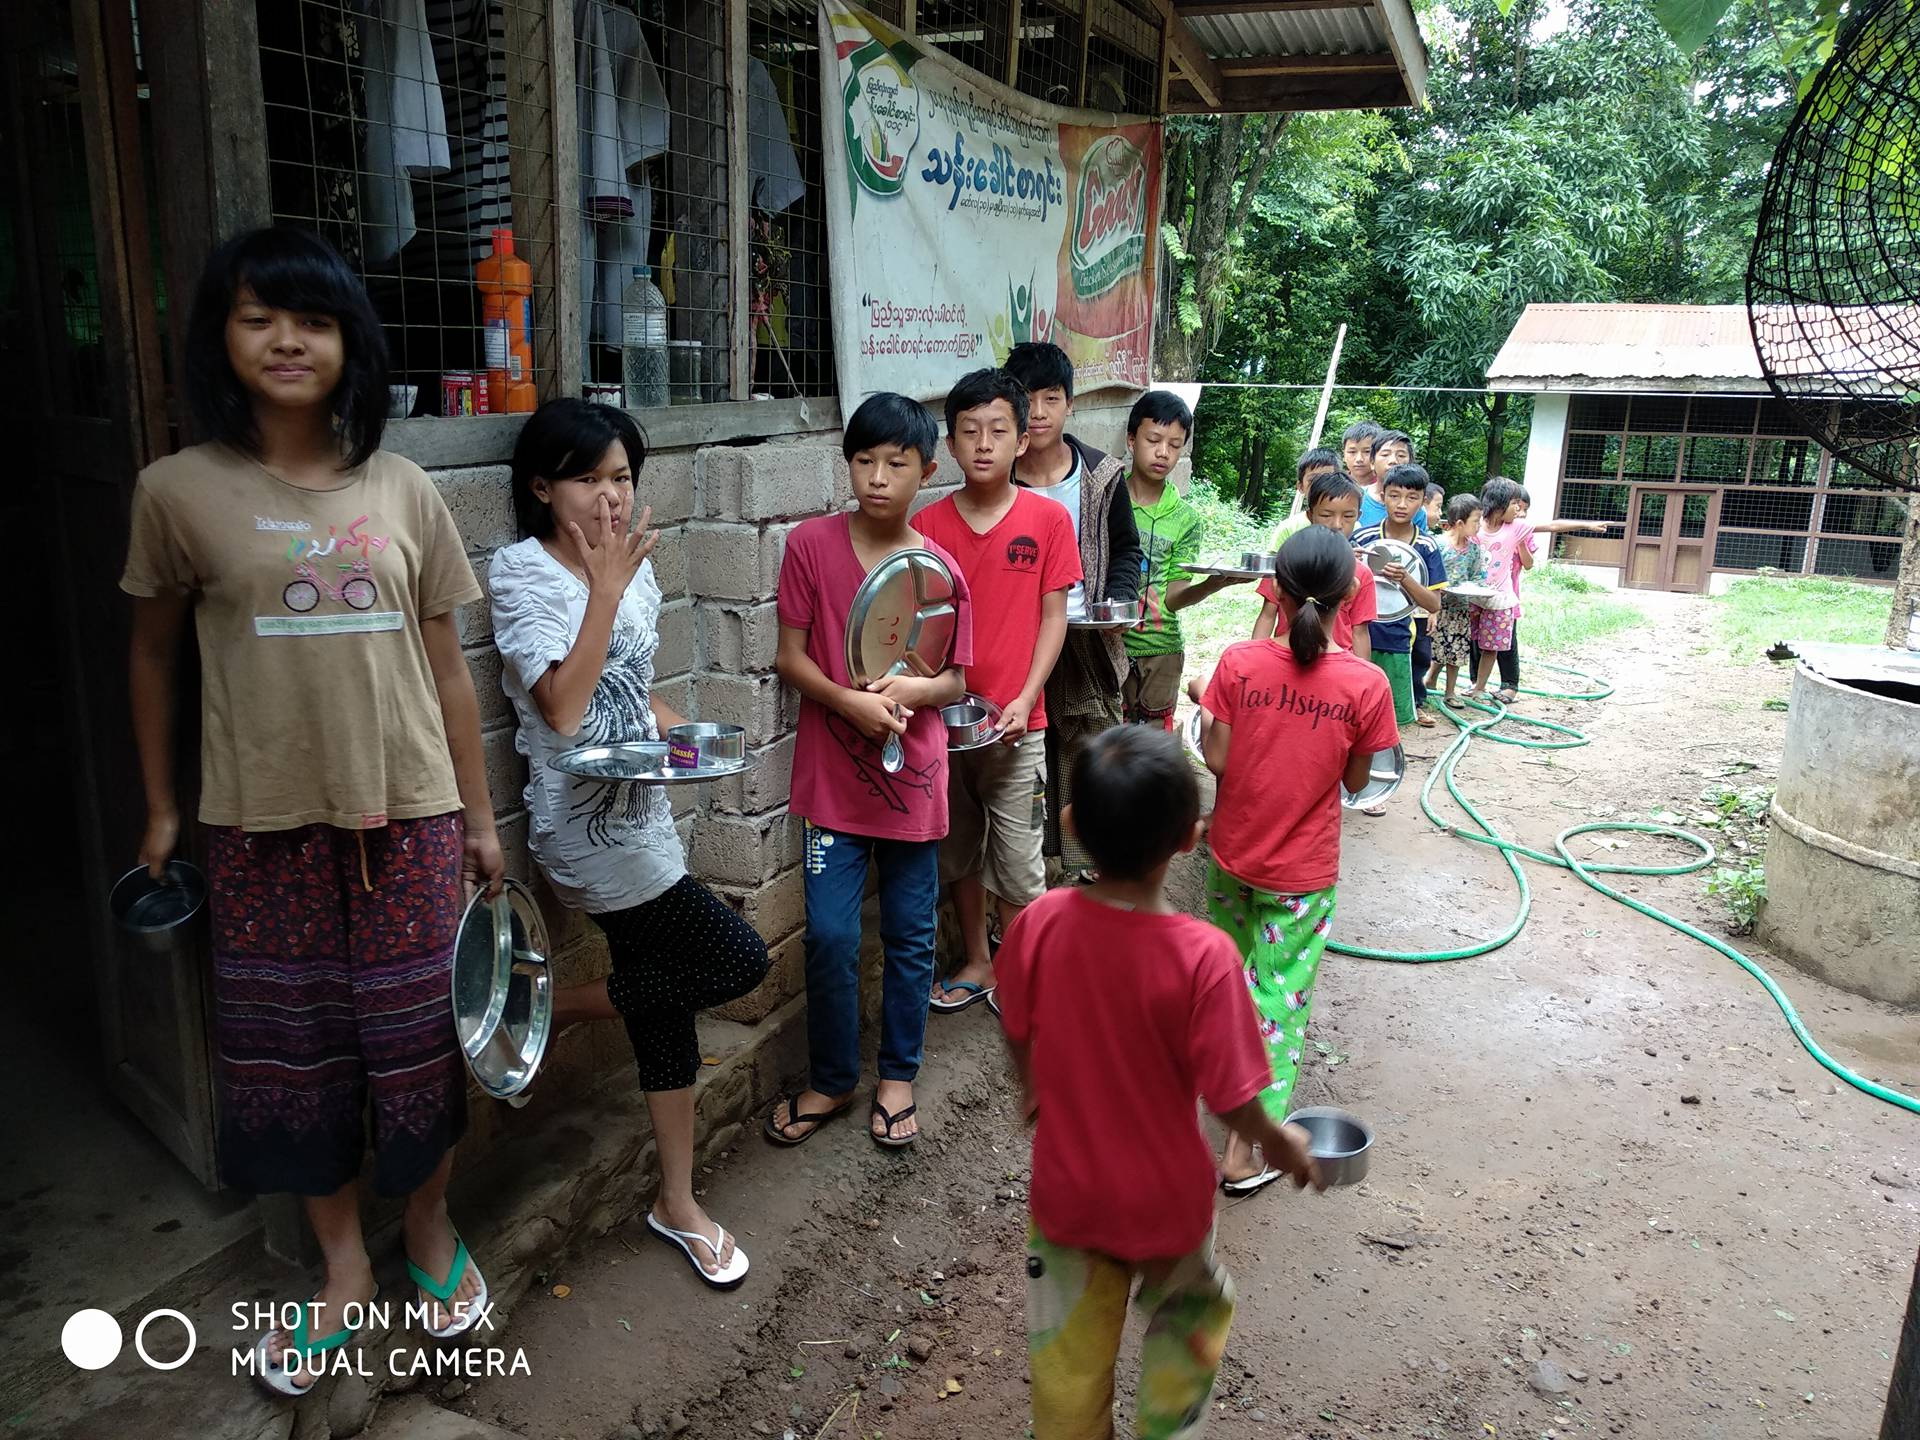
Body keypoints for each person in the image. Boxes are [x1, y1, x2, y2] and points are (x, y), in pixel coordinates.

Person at [122, 227, 501, 1392]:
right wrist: (162, 810)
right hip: (260, 826)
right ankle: (341, 1269)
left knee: (421, 1044)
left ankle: (427, 1228)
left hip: (411, 817)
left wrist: (480, 820)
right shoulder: (176, 492)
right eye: (259, 318)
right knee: (296, 1058)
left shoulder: (403, 487)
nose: (287, 341)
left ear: (351, 343)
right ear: (220, 338)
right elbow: (152, 657)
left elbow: (448, 668)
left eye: (315, 321)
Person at [489, 399, 770, 1289]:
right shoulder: (521, 574)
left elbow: (634, 690)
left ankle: (676, 1201)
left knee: (661, 1014)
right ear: (542, 487)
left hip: (645, 812)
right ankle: (548, 1005)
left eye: (621, 478)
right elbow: (565, 710)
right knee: (736, 960)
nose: (611, 497)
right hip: (582, 829)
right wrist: (603, 590)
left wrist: (694, 740)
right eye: (588, 478)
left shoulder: (634, 569)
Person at [993, 726, 1321, 1438]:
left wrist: (1031, 1086)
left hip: (1069, 1197)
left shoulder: (1039, 923)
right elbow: (1233, 1098)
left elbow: (1015, 1023)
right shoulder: (1205, 958)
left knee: (1067, 1360)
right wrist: (1279, 1142)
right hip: (1167, 1203)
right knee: (1189, 1317)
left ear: (1071, 824)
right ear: (1190, 838)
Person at [767, 393, 972, 1149]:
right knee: (828, 936)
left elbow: (956, 681)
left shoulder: (939, 570)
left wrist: (913, 691)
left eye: (896, 463)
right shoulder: (809, 545)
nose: (878, 478)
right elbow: (790, 658)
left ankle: (896, 1076)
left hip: (913, 783)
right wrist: (847, 702)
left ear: (927, 470)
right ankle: (831, 1078)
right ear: (846, 463)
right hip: (832, 782)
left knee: (911, 935)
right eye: (863, 461)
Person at [1191, 526, 1399, 1192]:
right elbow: (1358, 782)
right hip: (1301, 878)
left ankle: (1200, 1095)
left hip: (1232, 857)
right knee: (1276, 1005)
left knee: (1229, 984)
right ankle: (1244, 1148)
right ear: (1350, 595)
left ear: (1274, 591)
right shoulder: (1367, 684)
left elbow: (1218, 760)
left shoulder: (1238, 663)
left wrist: (1204, 705)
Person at [914, 369, 1080, 1012]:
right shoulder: (926, 527)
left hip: (1018, 724)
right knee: (956, 851)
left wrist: (1026, 697)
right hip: (941, 727)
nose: (984, 444)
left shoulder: (1047, 519)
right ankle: (979, 961)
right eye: (969, 431)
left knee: (1018, 859)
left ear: (1021, 440)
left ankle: (1021, 970)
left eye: (998, 431)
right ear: (950, 444)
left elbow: (1053, 617)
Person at [1003, 341, 1142, 881]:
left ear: (1070, 403)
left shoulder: (1102, 475)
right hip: (1019, 642)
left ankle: (1092, 868)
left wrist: (1118, 595)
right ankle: (1032, 874)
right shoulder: (998, 476)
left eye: (1051, 398)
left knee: (1089, 748)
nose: (1038, 412)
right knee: (1023, 752)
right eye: (1026, 398)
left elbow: (1126, 547)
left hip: (1087, 633)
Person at [1123, 390, 1236, 728]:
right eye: (1153, 440)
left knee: (1154, 742)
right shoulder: (1110, 501)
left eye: (1174, 445)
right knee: (1109, 739)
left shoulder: (1186, 519)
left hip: (1163, 649)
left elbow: (1173, 598)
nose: (1163, 452)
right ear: (1132, 440)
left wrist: (1213, 584)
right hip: (1110, 645)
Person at [1353, 463, 1444, 729]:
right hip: (1356, 634)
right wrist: (1350, 562)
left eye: (1412, 497)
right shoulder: (1363, 538)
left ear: (1422, 502)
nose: (1402, 504)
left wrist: (1406, 578)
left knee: (1393, 716)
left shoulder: (1427, 546)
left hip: (1397, 638)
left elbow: (1433, 603)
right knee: (1355, 707)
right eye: (1394, 496)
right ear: (1383, 497)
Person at [1251, 472, 1375, 666]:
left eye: (1348, 516)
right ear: (1310, 515)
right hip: (1285, 659)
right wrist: (1255, 663)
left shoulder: (1362, 573)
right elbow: (1267, 615)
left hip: (1339, 666)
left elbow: (1360, 631)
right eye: (1326, 515)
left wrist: (1361, 673)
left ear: (1358, 516)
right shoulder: (1287, 561)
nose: (1337, 524)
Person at [1428, 493, 1488, 709]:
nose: (1479, 526)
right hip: (1436, 607)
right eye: (1476, 521)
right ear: (1460, 523)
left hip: (1460, 609)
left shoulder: (1474, 550)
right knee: (1436, 647)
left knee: (1457, 650)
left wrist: (1480, 588)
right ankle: (1429, 679)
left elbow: (1477, 576)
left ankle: (1450, 691)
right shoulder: (1438, 545)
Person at [1271, 445, 1341, 551]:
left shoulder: (1352, 526)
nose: (1321, 485)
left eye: (1327, 478)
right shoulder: (1288, 529)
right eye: (1313, 480)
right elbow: (1274, 561)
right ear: (1300, 486)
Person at [1358, 430, 1426, 532]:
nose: (1393, 461)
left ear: (1410, 464)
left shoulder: (1417, 510)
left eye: (1401, 455)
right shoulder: (1356, 498)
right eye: (1385, 455)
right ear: (1372, 462)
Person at [1339, 419, 1383, 492]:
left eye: (1367, 452)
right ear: (1344, 455)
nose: (1359, 459)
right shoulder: (1335, 485)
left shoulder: (1387, 487)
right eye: (1352, 452)